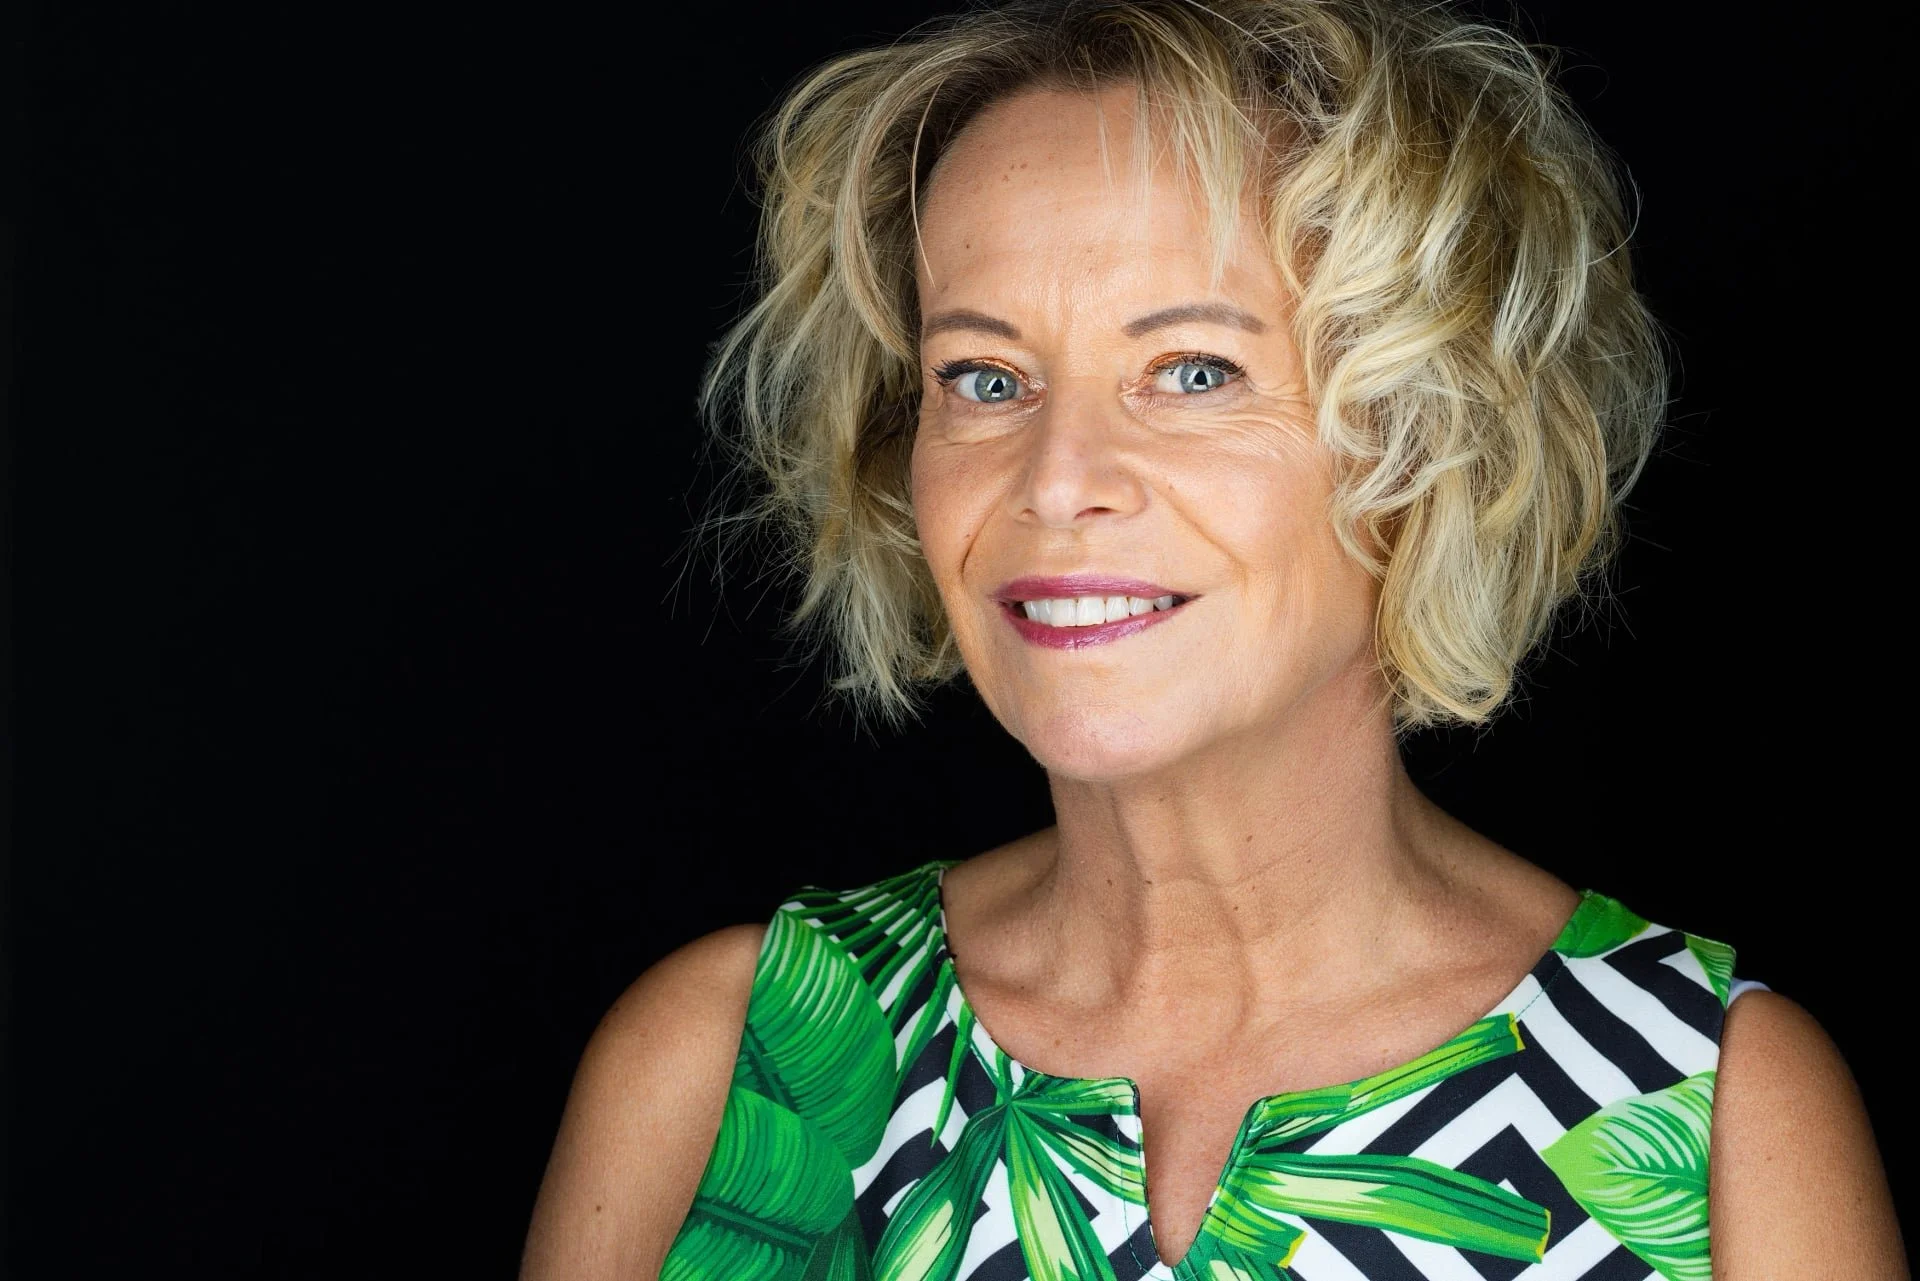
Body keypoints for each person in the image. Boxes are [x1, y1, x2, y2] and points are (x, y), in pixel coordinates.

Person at [521, 1, 1905, 1276]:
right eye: (984, 378)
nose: (1058, 479)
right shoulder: (723, 1065)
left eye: (1193, 372)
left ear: (1426, 433)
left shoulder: (1708, 1112)